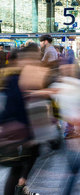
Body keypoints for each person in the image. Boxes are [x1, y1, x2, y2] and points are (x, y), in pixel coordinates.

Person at [1, 48, 40, 195]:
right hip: (16, 131)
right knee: (16, 168)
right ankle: (20, 186)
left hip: (18, 130)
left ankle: (21, 185)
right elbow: (13, 107)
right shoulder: (15, 79)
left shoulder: (17, 77)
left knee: (18, 167)